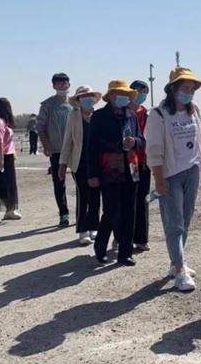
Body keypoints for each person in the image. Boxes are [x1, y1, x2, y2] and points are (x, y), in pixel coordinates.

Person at [145, 67, 201, 292]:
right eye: (185, 88)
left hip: (192, 170)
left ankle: (176, 261)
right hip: (170, 174)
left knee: (186, 219)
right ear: (173, 89)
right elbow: (154, 149)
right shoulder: (158, 114)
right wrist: (158, 180)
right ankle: (180, 268)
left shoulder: (194, 111)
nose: (189, 93)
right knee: (174, 223)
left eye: (192, 89)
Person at [88, 80, 144, 266]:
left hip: (131, 167)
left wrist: (135, 142)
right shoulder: (99, 116)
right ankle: (100, 246)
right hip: (109, 167)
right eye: (122, 94)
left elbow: (141, 139)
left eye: (127, 95)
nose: (125, 98)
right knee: (111, 210)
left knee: (129, 211)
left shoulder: (131, 115)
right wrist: (92, 174)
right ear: (111, 96)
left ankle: (125, 253)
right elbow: (91, 147)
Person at [59, 86, 102, 246]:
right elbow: (67, 141)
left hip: (97, 162)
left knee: (95, 196)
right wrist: (62, 164)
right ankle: (83, 230)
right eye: (83, 96)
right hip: (79, 162)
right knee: (83, 195)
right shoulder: (73, 116)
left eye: (89, 96)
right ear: (78, 100)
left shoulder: (99, 116)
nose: (87, 99)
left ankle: (94, 226)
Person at [38, 73, 74, 227]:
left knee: (81, 181)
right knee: (59, 182)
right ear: (53, 86)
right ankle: (63, 213)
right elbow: (40, 127)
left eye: (65, 83)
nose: (62, 86)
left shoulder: (74, 103)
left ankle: (83, 213)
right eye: (59, 83)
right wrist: (46, 145)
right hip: (56, 149)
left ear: (69, 85)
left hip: (75, 149)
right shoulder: (47, 105)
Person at [130, 80, 151, 252]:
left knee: (143, 199)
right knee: (127, 199)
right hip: (128, 162)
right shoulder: (123, 112)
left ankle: (141, 238)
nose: (142, 94)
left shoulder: (146, 113)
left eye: (145, 92)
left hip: (144, 161)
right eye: (139, 91)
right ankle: (123, 236)